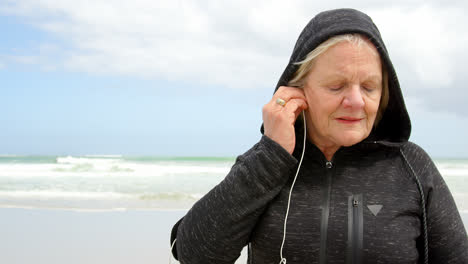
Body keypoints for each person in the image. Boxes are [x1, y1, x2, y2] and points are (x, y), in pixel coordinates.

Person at [170, 8, 468, 264]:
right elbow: (193, 254)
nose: (356, 102)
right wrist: (272, 157)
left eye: (369, 87)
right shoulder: (268, 162)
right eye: (336, 86)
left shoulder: (412, 166)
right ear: (298, 90)